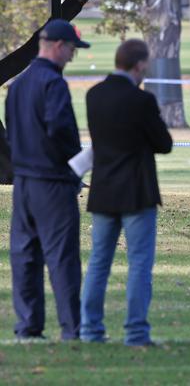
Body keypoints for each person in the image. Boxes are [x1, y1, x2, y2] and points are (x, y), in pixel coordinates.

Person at [81, 39, 172, 346]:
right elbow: (164, 144)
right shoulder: (141, 101)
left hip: (104, 189)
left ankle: (90, 329)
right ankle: (135, 332)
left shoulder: (94, 95)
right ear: (139, 65)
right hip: (136, 191)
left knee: (99, 262)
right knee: (139, 264)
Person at [5, 19, 90, 340]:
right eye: (71, 50)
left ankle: (28, 325)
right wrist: (75, 166)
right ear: (57, 46)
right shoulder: (53, 83)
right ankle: (72, 327)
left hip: (24, 181)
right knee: (61, 257)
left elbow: (11, 131)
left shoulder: (18, 85)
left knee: (25, 255)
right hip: (52, 182)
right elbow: (60, 130)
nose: (71, 57)